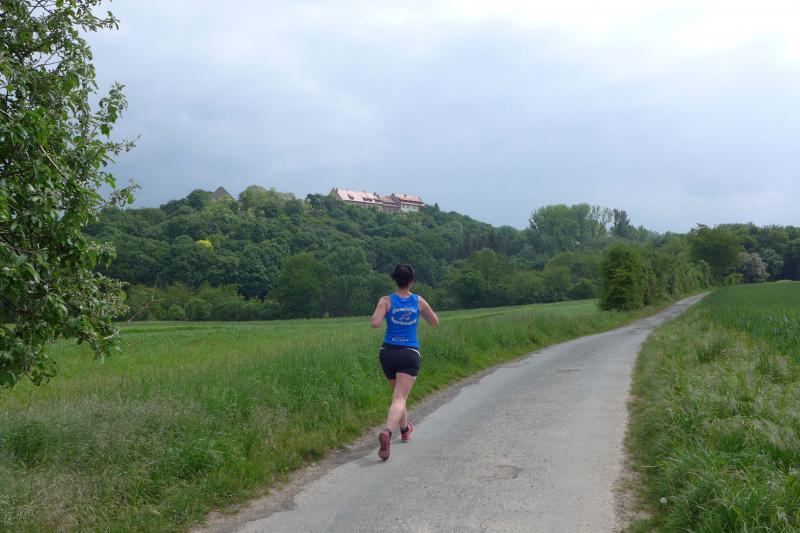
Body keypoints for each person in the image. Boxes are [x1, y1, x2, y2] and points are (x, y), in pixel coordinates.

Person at [370, 264, 439, 461]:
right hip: (408, 353)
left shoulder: (386, 300)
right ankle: (387, 432)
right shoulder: (418, 300)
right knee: (400, 398)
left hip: (387, 353)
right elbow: (434, 322)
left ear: (394, 280)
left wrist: (385, 312)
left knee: (398, 396)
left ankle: (405, 430)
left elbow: (375, 323)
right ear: (411, 281)